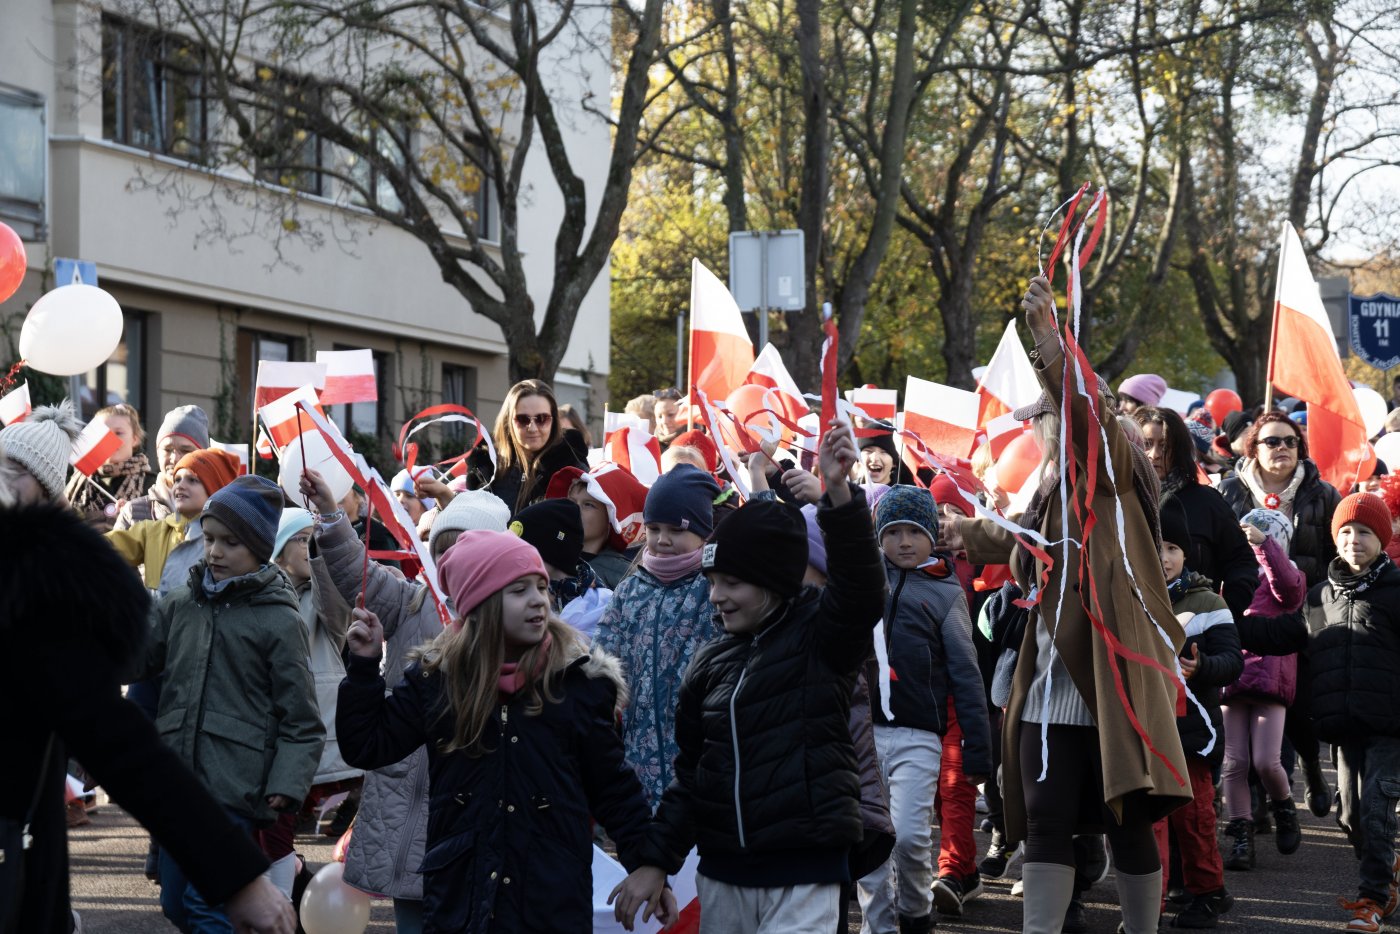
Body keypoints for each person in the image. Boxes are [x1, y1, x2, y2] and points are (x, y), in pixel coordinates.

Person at [943, 276, 1190, 934]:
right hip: (1052, 676)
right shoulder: (1053, 486)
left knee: (1128, 819)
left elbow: (1088, 418)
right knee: (1045, 819)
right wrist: (962, 531)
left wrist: (1051, 341)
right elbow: (1031, 543)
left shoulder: (1116, 462)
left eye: (1046, 416)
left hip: (1116, 675)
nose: (1038, 429)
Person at [0, 401, 295, 934]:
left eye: (16, 472)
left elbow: (120, 744)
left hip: (21, 850)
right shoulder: (160, 572)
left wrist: (239, 875)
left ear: (45, 497)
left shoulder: (34, 593)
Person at [612, 422, 888, 934]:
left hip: (805, 873)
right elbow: (692, 776)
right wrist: (655, 861)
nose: (716, 596)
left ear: (772, 580)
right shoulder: (709, 664)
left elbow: (863, 592)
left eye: (733, 583)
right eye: (712, 582)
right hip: (724, 875)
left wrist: (839, 494)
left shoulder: (821, 640)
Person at [336, 530, 663, 932]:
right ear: (481, 603)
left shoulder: (578, 684)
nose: (539, 600)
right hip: (463, 900)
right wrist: (365, 667)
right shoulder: (438, 680)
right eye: (519, 589)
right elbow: (367, 745)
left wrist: (649, 864)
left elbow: (614, 788)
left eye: (542, 587)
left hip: (549, 900)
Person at [299, 469, 510, 931]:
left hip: (464, 800)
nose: (455, 558)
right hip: (403, 801)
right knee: (412, 915)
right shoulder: (412, 602)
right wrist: (332, 517)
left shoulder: (510, 623)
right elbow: (358, 570)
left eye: (469, 548)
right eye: (445, 547)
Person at [131, 474, 325, 931]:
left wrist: (288, 780)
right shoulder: (180, 604)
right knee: (177, 903)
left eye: (230, 543)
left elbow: (300, 716)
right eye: (210, 538)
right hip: (179, 779)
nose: (214, 551)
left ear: (260, 548)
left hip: (236, 784)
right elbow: (138, 658)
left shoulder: (278, 619)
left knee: (206, 903)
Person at [857, 485, 991, 932]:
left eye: (915, 530)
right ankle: (880, 927)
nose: (904, 542)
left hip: (919, 735)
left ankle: (915, 913)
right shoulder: (864, 582)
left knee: (912, 838)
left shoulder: (947, 595)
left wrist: (977, 751)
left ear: (933, 535)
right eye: (893, 532)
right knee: (870, 841)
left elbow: (967, 676)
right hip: (863, 732)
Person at [1218, 410, 1341, 817]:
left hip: (1306, 611)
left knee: (1299, 702)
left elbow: (1336, 554)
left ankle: (1309, 767)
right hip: (1247, 610)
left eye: (1290, 441)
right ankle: (1251, 801)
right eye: (1272, 441)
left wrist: (1327, 601)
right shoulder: (1230, 492)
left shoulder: (1322, 494)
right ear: (1254, 448)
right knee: (1244, 696)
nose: (1282, 448)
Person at [592, 464, 722, 806]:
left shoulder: (712, 587)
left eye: (676, 530)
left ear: (703, 533)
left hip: (701, 764)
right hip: (639, 763)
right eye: (653, 528)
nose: (662, 540)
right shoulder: (630, 590)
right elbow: (602, 660)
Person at [1307, 493, 1400, 933]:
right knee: (1349, 816)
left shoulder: (1396, 593)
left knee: (1376, 811)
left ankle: (1372, 899)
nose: (1354, 539)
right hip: (1344, 726)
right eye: (1345, 531)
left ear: (1383, 538)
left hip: (1391, 724)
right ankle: (1386, 870)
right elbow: (1296, 642)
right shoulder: (1319, 595)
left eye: (1364, 532)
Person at [1155, 497, 1242, 929]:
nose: (1163, 556)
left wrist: (1202, 666)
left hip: (1194, 728)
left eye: (1171, 547)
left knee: (1194, 817)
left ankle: (1209, 893)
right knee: (1148, 819)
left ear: (1186, 552)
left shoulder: (1208, 601)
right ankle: (1147, 904)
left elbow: (1232, 659)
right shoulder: (1127, 596)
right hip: (1143, 727)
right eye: (1153, 546)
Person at [1220, 508, 1306, 873]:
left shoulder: (1287, 577)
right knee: (1233, 763)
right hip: (1234, 677)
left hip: (1270, 680)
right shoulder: (1232, 579)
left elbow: (1288, 588)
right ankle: (1241, 833)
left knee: (1267, 761)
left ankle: (1285, 808)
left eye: (1268, 534)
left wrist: (1264, 547)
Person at [1133, 406, 1259, 621]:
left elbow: (1241, 562)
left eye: (1164, 446)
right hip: (1133, 626)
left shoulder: (1207, 502)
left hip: (1197, 632)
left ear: (1179, 449)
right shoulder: (1118, 499)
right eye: (1147, 444)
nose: (1154, 454)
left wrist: (1225, 613)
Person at [105, 448, 242, 594]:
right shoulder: (152, 531)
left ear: (215, 490)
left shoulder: (229, 539)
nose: (180, 486)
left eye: (192, 480)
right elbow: (101, 547)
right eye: (177, 479)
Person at [468, 379, 588, 513]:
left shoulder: (571, 470)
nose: (532, 428)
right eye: (522, 419)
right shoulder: (486, 465)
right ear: (508, 421)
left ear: (553, 421)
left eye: (542, 419)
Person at [546, 463, 647, 589]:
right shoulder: (547, 557)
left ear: (610, 520)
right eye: (571, 501)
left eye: (588, 504)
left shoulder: (623, 575)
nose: (574, 509)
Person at [115, 404, 209, 529]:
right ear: (158, 452)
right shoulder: (133, 512)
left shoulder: (216, 510)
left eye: (185, 450)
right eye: (167, 449)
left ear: (203, 455)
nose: (174, 458)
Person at [64, 402, 153, 531]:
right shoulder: (81, 481)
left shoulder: (151, 484)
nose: (110, 439)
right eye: (103, 433)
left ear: (135, 439)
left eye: (118, 433)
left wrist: (131, 516)